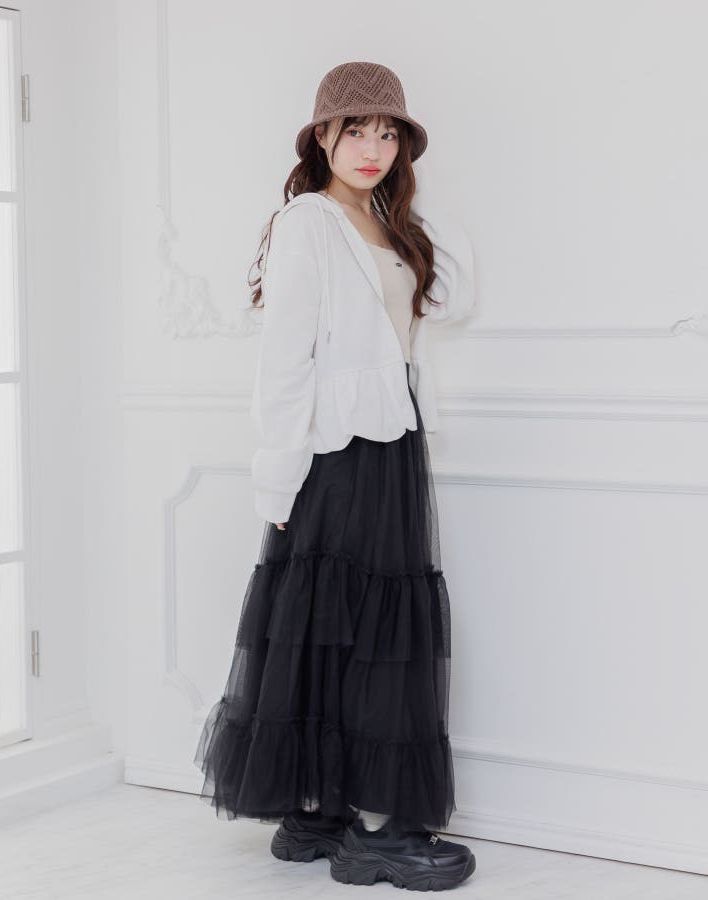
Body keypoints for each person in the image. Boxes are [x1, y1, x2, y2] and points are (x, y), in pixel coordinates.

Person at [193, 60, 477, 891]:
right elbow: (285, 361)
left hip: (391, 445)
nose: (372, 148)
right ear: (322, 136)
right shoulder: (307, 223)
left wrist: (409, 203)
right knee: (352, 630)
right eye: (356, 130)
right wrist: (278, 479)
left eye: (389, 134)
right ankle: (373, 829)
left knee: (357, 627)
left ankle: (323, 812)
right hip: (335, 454)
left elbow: (456, 297)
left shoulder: (387, 224)